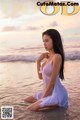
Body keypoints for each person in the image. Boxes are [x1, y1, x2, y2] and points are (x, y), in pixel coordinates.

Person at [24, 29, 68, 111]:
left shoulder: (57, 57)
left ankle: (56, 103)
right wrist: (38, 61)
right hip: (46, 92)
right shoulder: (47, 58)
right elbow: (40, 77)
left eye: (47, 41)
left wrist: (42, 99)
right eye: (43, 41)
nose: (44, 44)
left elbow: (52, 82)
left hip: (55, 93)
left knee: (30, 109)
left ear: (54, 40)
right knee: (26, 101)